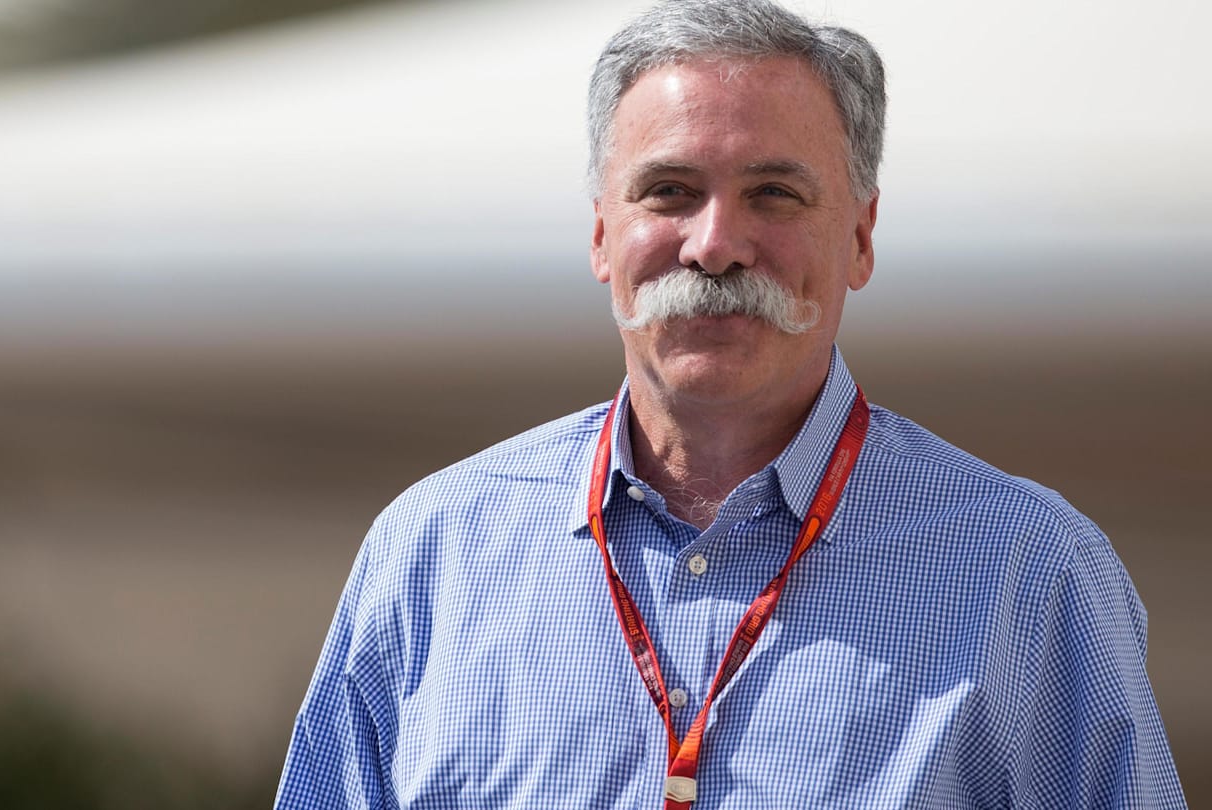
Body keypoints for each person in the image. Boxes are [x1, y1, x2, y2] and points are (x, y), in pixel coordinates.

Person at [274, 0, 1187, 806]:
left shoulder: (1030, 574)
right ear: (602, 235)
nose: (715, 245)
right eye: (670, 192)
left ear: (861, 239)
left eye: (774, 194)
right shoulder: (433, 551)